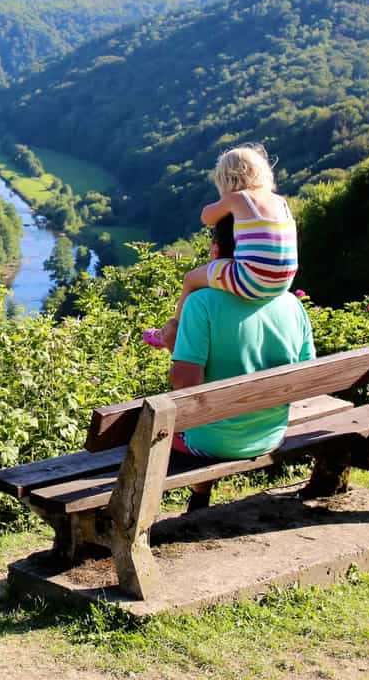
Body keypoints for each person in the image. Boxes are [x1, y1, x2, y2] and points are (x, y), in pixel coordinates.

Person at [166, 213, 315, 510]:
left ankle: (199, 497)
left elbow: (185, 385)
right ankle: (199, 497)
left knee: (167, 423)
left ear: (217, 253)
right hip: (269, 435)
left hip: (208, 443)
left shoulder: (201, 302)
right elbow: (306, 375)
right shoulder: (291, 304)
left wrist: (173, 344)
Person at [144, 144, 298, 350]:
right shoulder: (281, 202)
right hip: (283, 282)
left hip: (251, 279)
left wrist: (224, 203)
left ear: (226, 177)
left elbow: (207, 217)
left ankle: (174, 332)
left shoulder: (237, 198)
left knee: (191, 279)